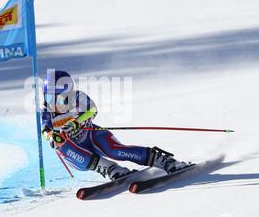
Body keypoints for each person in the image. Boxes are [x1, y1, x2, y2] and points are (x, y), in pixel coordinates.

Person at [41, 69, 192, 181]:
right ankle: (110, 169)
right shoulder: (47, 110)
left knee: (114, 151)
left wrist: (75, 123)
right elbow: (45, 129)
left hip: (92, 135)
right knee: (61, 145)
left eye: (59, 99)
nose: (54, 104)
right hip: (76, 149)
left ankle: (164, 161)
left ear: (69, 94)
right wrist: (51, 136)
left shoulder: (78, 97)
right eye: (49, 98)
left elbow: (92, 110)